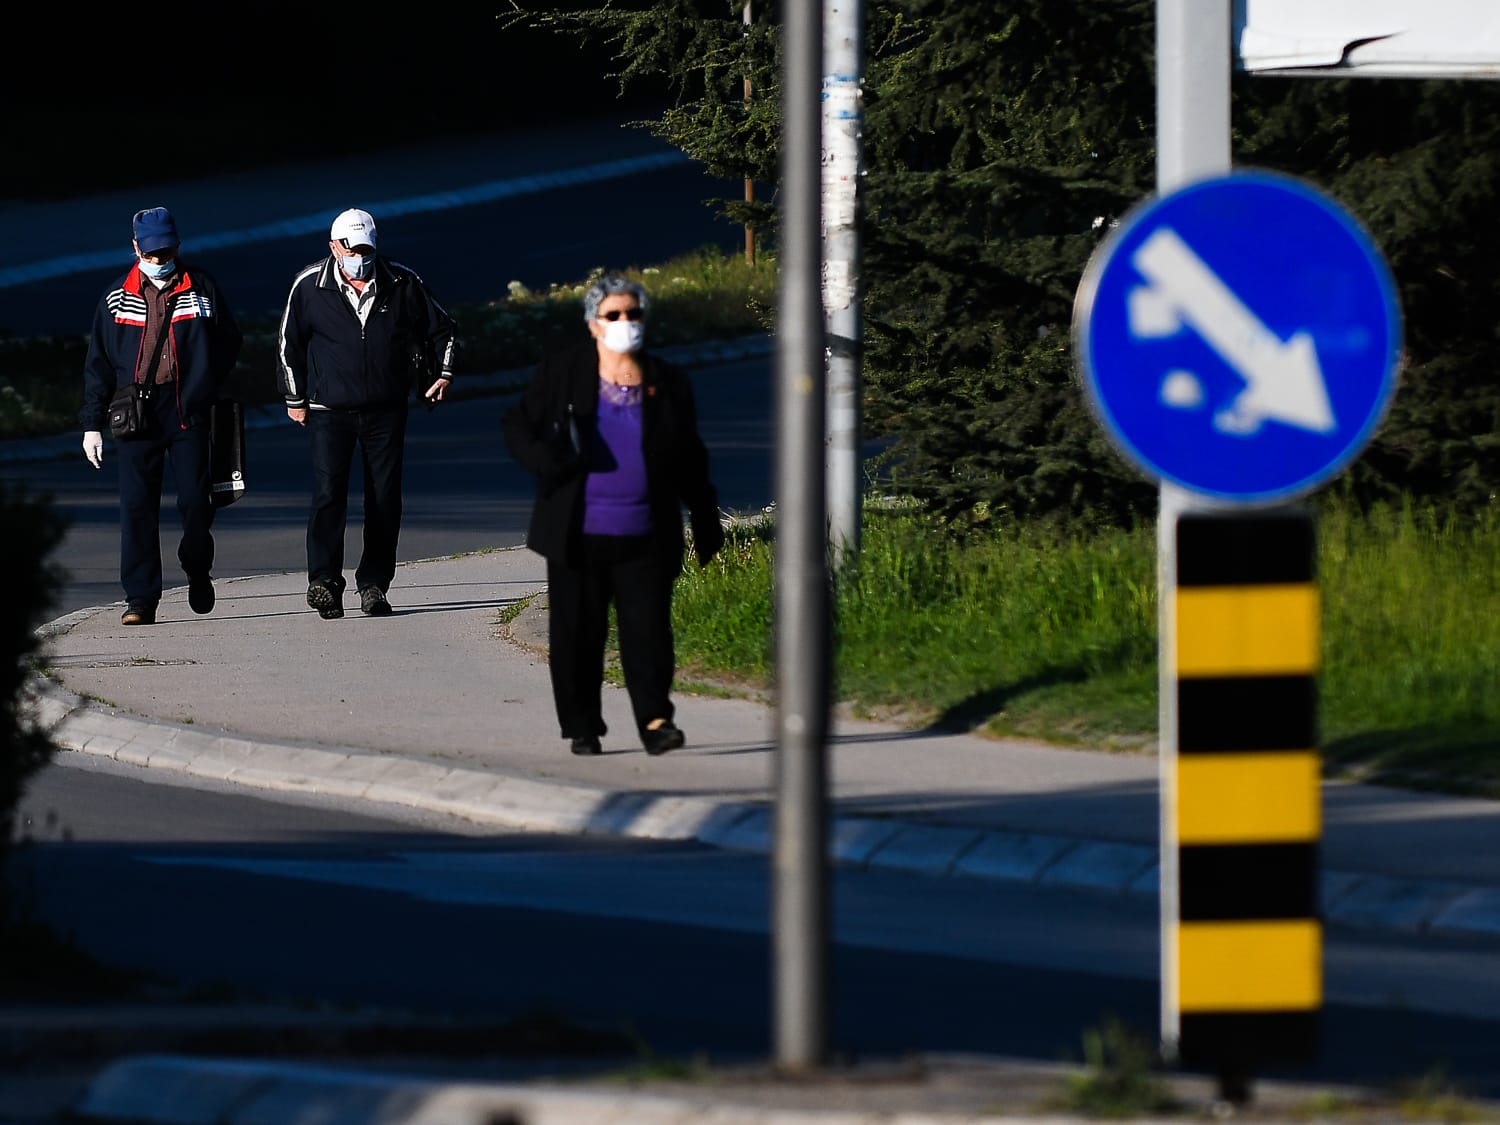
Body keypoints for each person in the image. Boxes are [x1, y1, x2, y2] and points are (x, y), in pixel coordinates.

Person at [502, 275, 724, 757]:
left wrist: (706, 519)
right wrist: (548, 462)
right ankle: (583, 725)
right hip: (577, 534)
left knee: (648, 634)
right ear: (593, 324)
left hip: (647, 533)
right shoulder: (565, 371)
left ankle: (655, 720)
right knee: (578, 635)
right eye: (614, 315)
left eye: (634, 313)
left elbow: (691, 455)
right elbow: (518, 424)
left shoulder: (667, 381)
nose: (626, 323)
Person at [277, 208, 458, 619]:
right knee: (328, 496)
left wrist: (443, 374)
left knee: (384, 499)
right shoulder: (309, 285)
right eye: (352, 248)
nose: (360, 257)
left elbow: (444, 329)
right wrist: (294, 397)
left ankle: (374, 584)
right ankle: (323, 582)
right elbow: (289, 344)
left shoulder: (402, 281)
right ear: (334, 247)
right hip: (328, 408)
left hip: (385, 409)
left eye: (366, 249)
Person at [80, 206, 243, 626]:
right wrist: (91, 423)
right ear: (135, 248)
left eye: (165, 251)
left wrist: (205, 382)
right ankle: (140, 599)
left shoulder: (202, 287)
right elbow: (98, 362)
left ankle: (196, 568)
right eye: (151, 253)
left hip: (187, 408)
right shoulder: (116, 297)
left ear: (177, 246)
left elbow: (229, 340)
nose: (158, 260)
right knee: (137, 507)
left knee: (194, 502)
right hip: (134, 413)